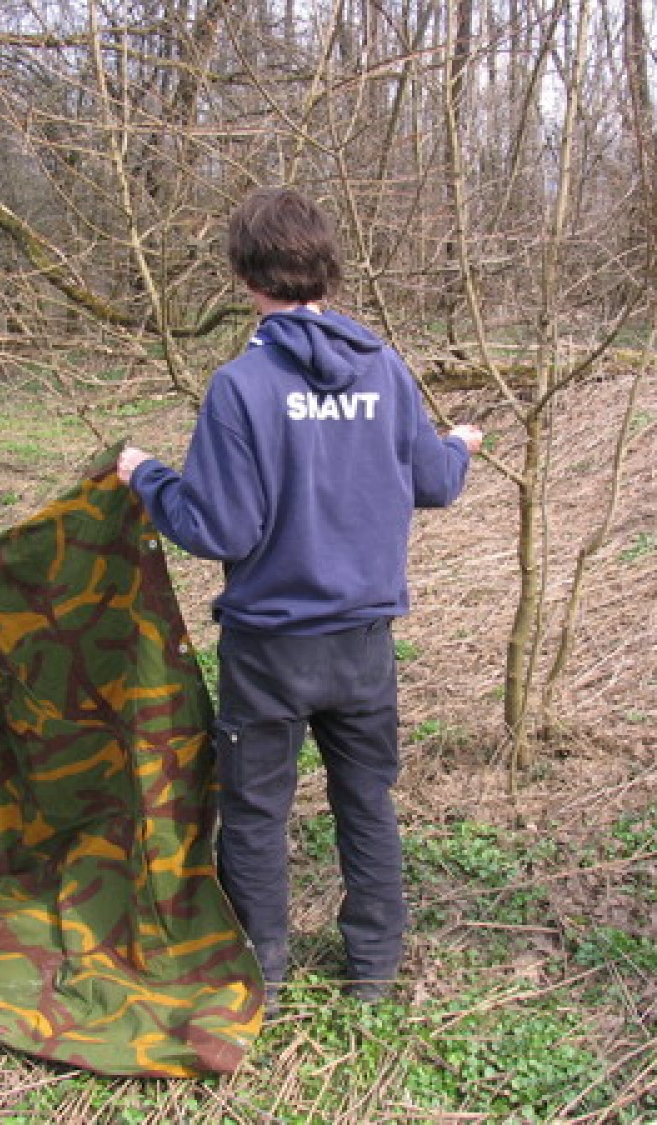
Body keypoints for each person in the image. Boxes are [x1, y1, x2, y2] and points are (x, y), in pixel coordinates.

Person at [117, 187, 483, 1013]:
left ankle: (262, 975)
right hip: (363, 644)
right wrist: (459, 444)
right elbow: (434, 479)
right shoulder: (385, 368)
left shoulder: (241, 385)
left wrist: (147, 476)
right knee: (366, 802)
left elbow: (220, 526)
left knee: (255, 813)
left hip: (269, 649)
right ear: (328, 269)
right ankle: (374, 966)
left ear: (246, 278)